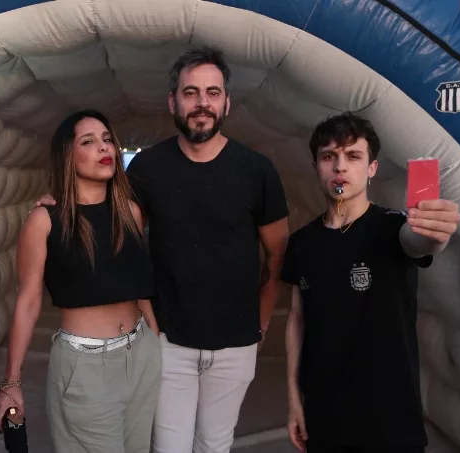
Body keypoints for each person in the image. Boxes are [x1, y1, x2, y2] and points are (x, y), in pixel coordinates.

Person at [37, 46, 290, 453]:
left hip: (236, 342)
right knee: (169, 447)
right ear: (173, 101)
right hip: (168, 340)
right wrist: (58, 203)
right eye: (191, 93)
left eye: (212, 92)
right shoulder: (147, 169)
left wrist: (261, 319)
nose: (202, 103)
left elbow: (277, 254)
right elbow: (106, 215)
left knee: (215, 445)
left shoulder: (257, 170)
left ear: (227, 102)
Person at [281, 113, 460, 453]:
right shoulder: (302, 243)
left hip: (391, 420)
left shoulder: (392, 226)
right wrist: (293, 397)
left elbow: (417, 241)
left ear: (372, 168)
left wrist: (434, 232)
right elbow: (297, 319)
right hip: (324, 415)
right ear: (316, 167)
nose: (340, 167)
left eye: (353, 156)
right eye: (329, 156)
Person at [0, 109, 162, 453]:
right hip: (86, 365)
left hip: (142, 354)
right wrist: (11, 381)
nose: (104, 148)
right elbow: (28, 300)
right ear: (67, 156)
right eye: (88, 141)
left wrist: (156, 343)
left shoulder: (130, 212)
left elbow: (138, 287)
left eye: (107, 139)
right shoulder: (44, 220)